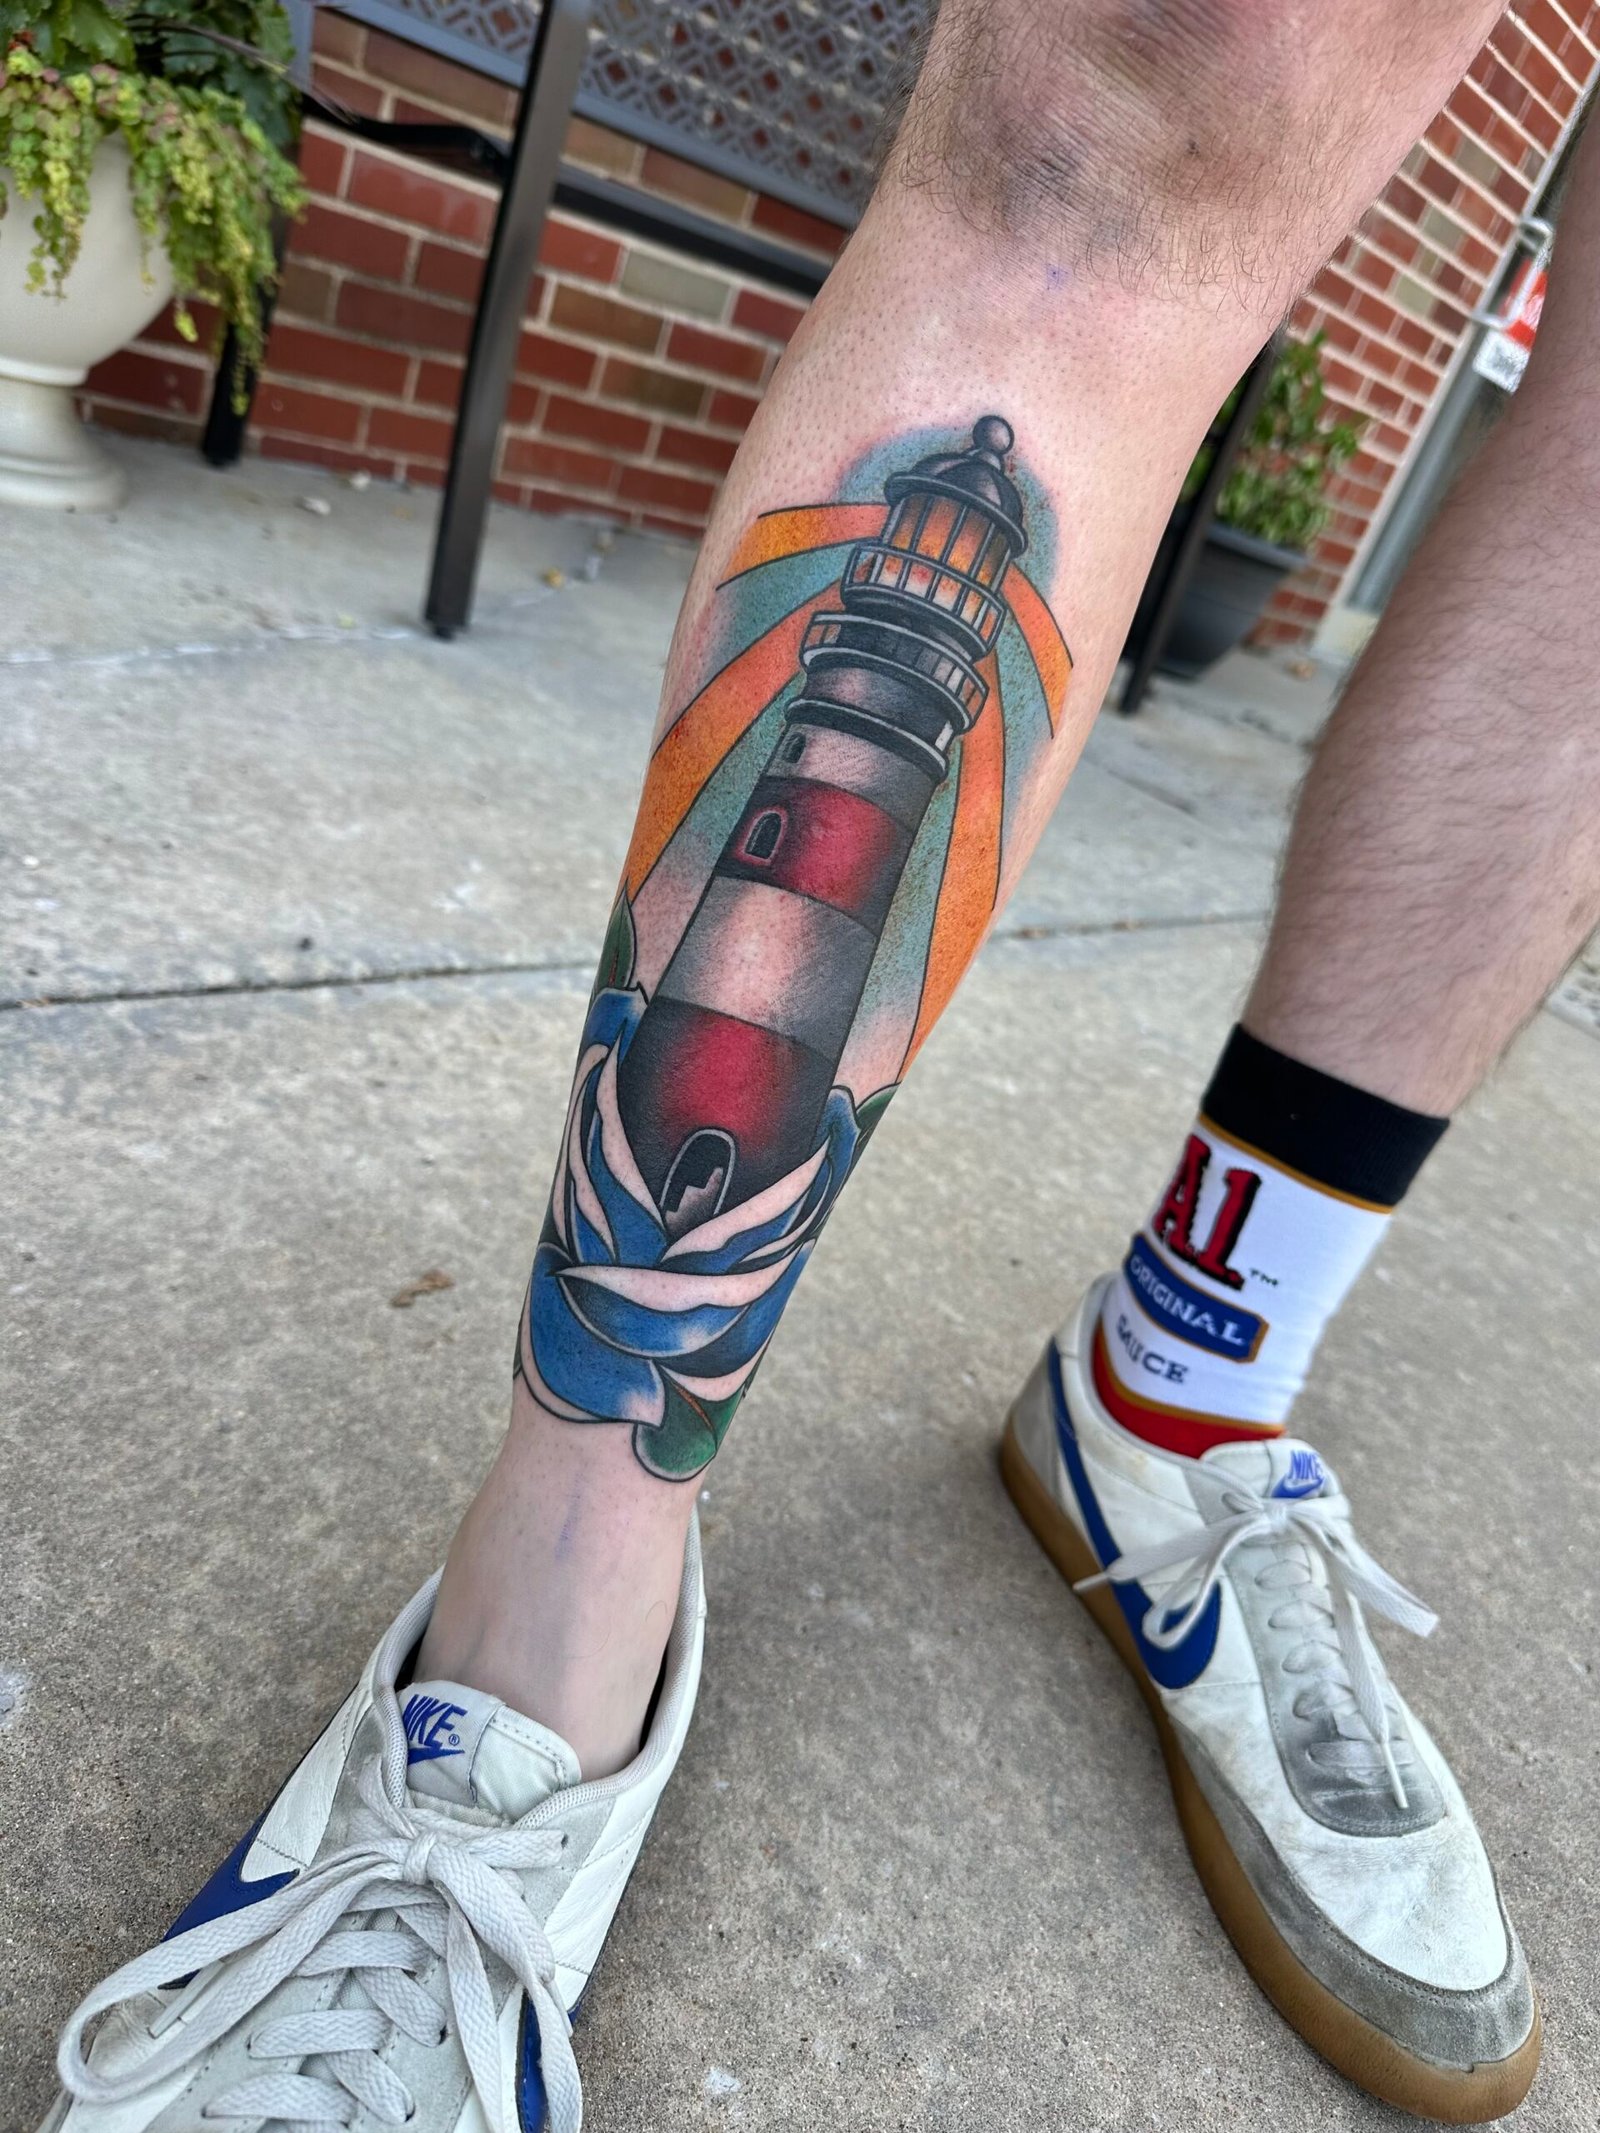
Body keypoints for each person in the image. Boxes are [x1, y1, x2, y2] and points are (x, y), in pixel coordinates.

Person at [43, 1, 1600, 2125]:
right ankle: (553, 1608)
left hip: (889, 721)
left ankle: (1183, 1378)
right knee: (1166, 86)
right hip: (860, 725)